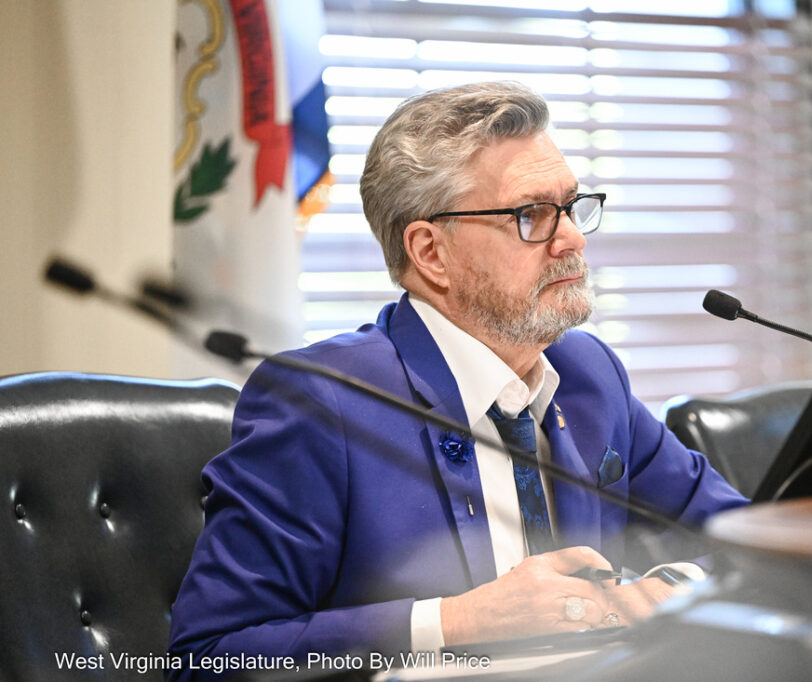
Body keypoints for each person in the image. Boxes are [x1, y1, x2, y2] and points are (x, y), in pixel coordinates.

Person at [168, 81, 747, 678]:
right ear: (431, 252)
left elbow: (751, 539)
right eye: (531, 215)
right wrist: (454, 623)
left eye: (571, 207)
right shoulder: (320, 403)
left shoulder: (588, 374)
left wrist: (672, 584)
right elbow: (210, 657)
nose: (571, 238)